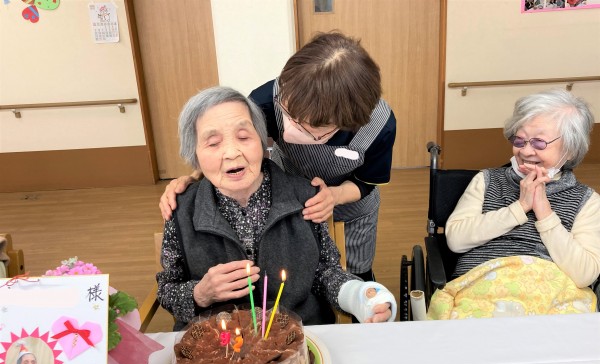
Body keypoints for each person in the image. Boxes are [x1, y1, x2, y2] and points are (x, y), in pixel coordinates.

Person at [159, 32, 397, 282]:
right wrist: (194, 177)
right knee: (300, 271)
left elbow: (366, 182)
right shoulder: (266, 100)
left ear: (345, 123)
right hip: (290, 199)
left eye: (308, 126)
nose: (290, 126)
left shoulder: (379, 125)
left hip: (352, 205)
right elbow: (233, 148)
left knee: (355, 272)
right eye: (288, 112)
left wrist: (333, 196)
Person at [156, 86, 397, 330]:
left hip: (298, 336)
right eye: (213, 143)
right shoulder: (180, 208)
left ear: (263, 142)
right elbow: (167, 290)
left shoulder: (306, 197)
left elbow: (324, 273)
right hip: (216, 343)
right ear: (194, 155)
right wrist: (200, 293)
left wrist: (358, 295)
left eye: (243, 137)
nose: (231, 153)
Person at [428, 89, 600, 318]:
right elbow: (456, 240)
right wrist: (518, 208)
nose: (526, 151)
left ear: (570, 149)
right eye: (519, 140)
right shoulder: (486, 180)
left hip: (553, 295)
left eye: (539, 143)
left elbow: (584, 274)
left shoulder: (587, 200)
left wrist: (545, 213)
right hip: (484, 288)